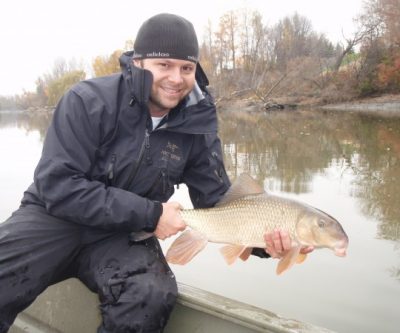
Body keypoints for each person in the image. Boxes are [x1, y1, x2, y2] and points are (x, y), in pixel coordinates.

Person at [0, 13, 311, 333]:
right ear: (138, 63)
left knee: (151, 293)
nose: (176, 78)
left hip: (124, 234)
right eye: (164, 65)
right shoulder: (87, 100)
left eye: (186, 68)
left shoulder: (198, 124)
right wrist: (151, 214)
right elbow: (58, 186)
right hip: (53, 219)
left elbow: (219, 203)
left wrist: (263, 241)